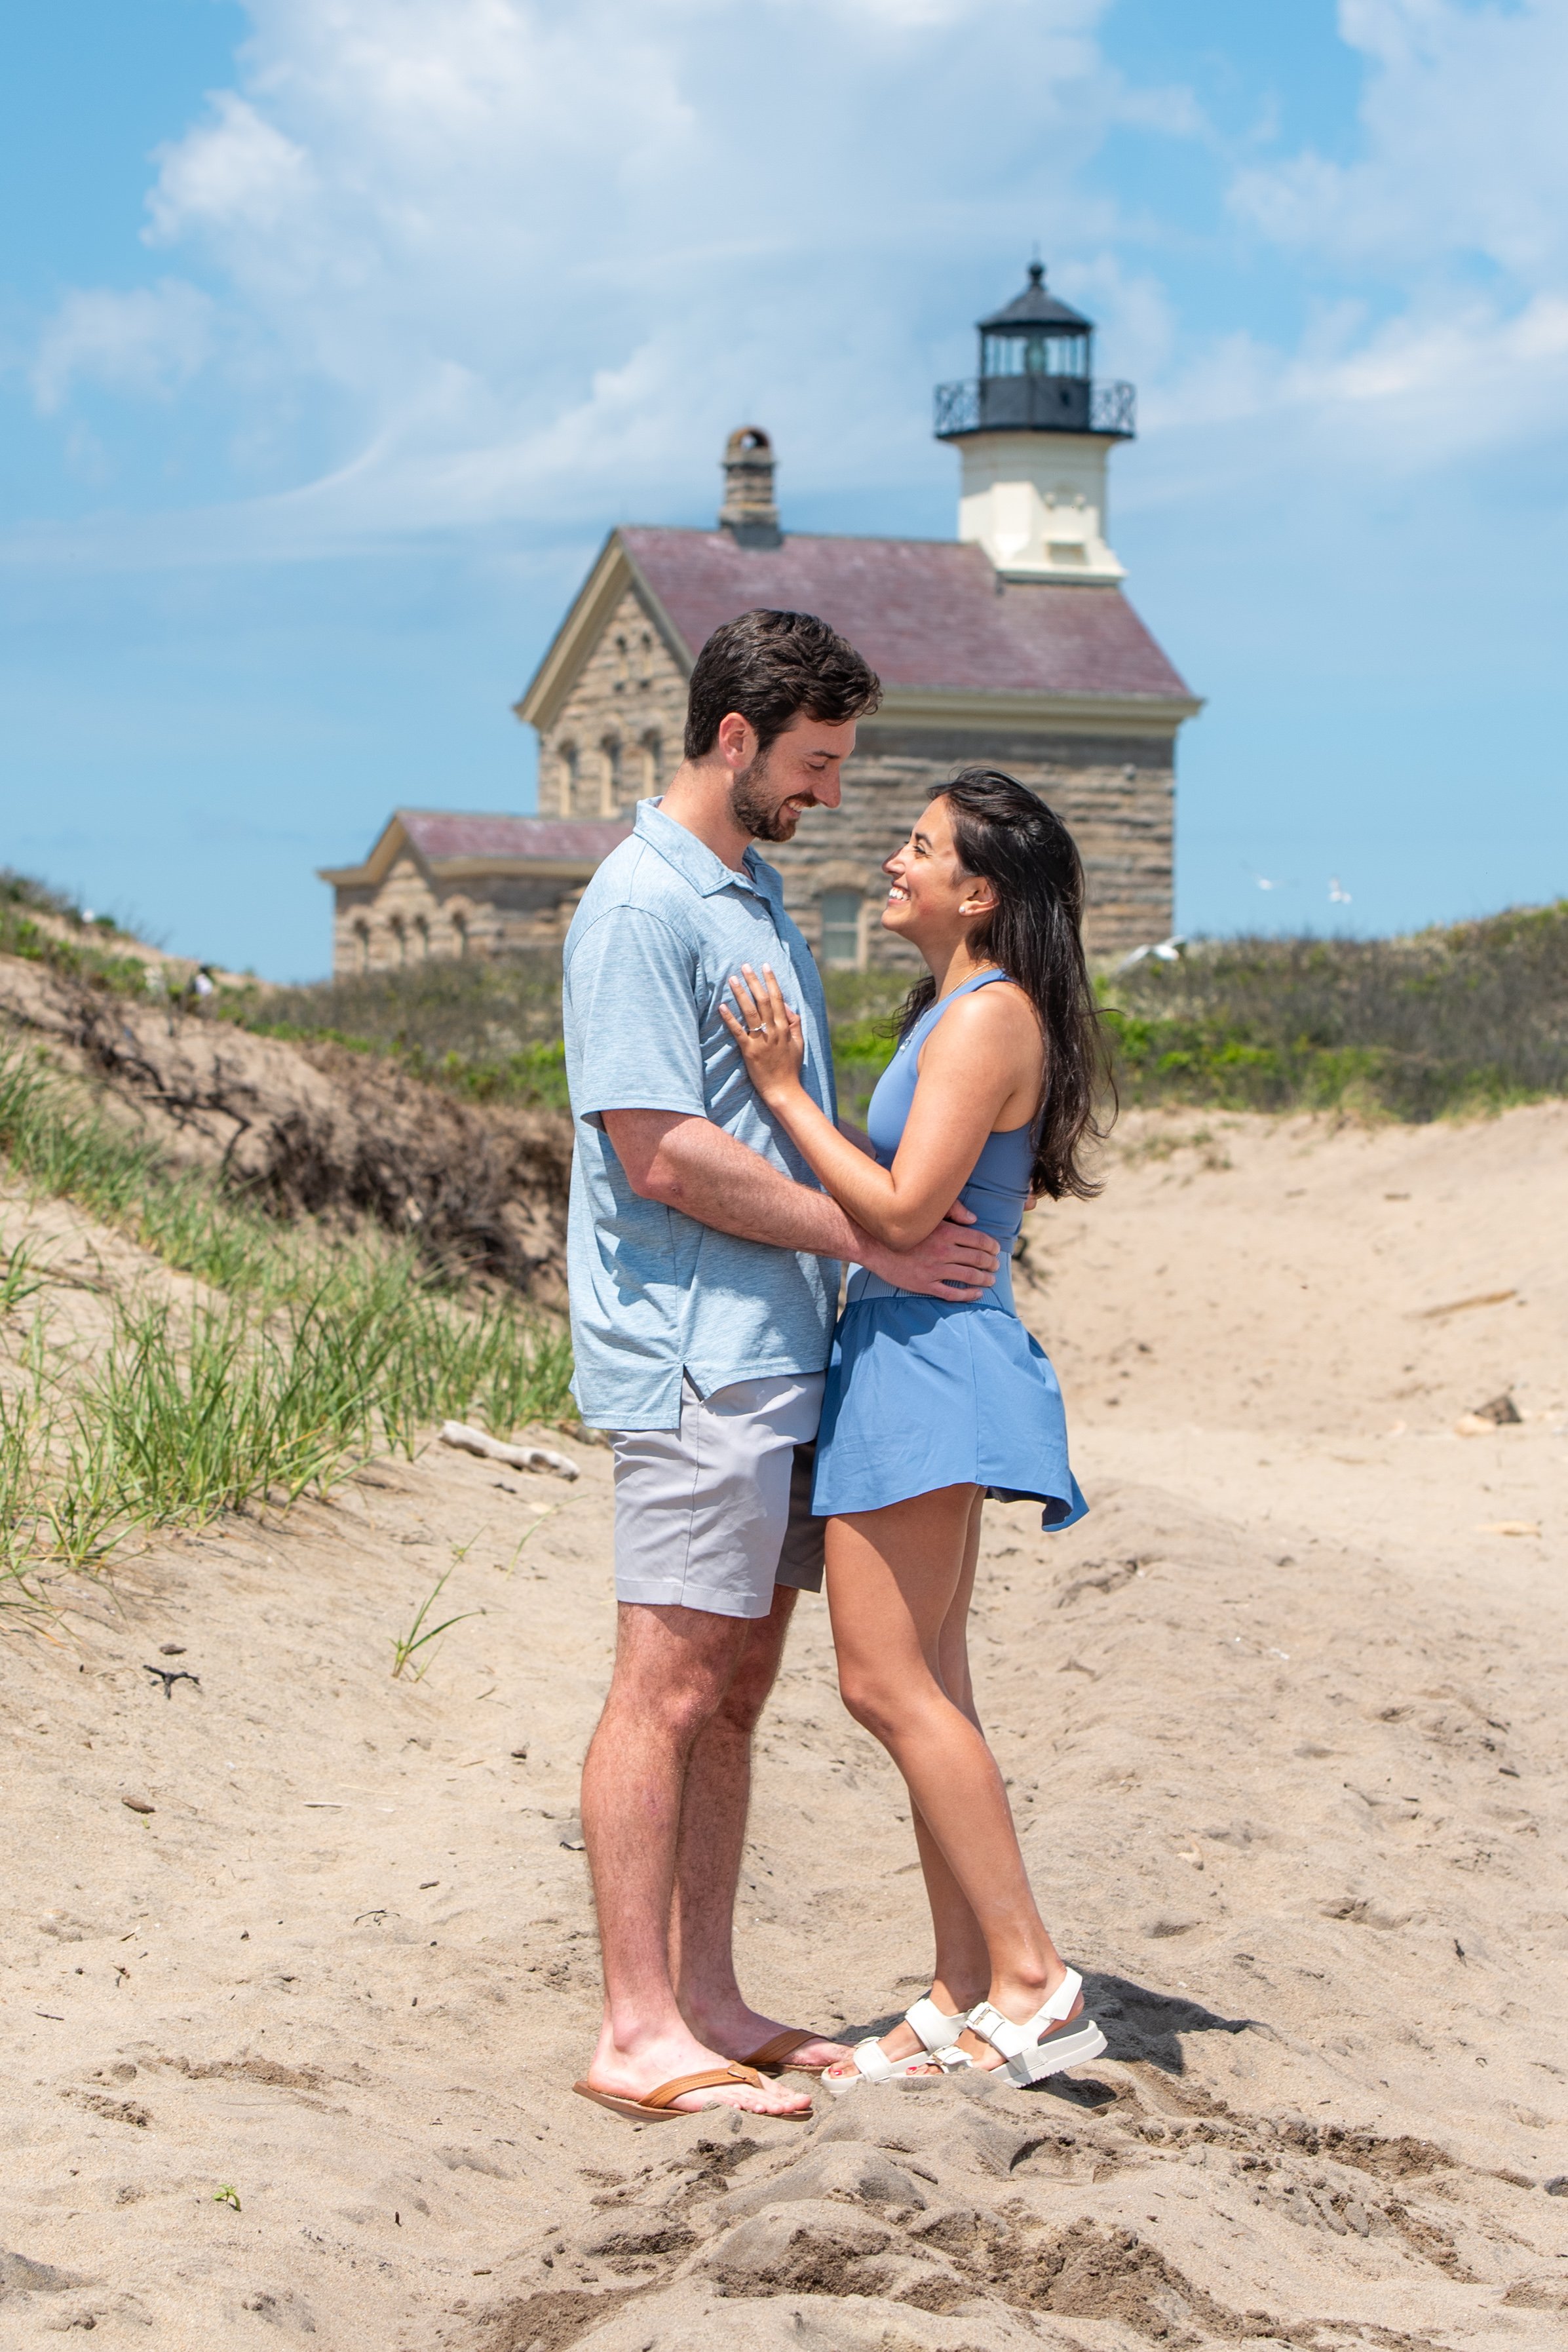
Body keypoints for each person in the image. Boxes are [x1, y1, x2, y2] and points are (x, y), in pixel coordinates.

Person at [562, 611, 1003, 2123]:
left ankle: (703, 1995)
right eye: (816, 764)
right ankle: (634, 2029)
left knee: (736, 1687)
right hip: (691, 1355)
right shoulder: (640, 907)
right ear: (738, 740)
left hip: (780, 1353)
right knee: (667, 1684)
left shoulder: (753, 898)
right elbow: (660, 1153)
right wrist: (873, 1240)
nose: (831, 796)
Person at [718, 768, 1110, 2092]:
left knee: (884, 1684)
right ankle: (959, 1993)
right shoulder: (962, 1007)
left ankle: (1033, 1978)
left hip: (929, 1364)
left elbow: (896, 1214)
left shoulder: (987, 1019)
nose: (894, 861)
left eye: (920, 847)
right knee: (929, 1687)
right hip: (912, 1351)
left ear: (978, 891)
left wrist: (781, 1095)